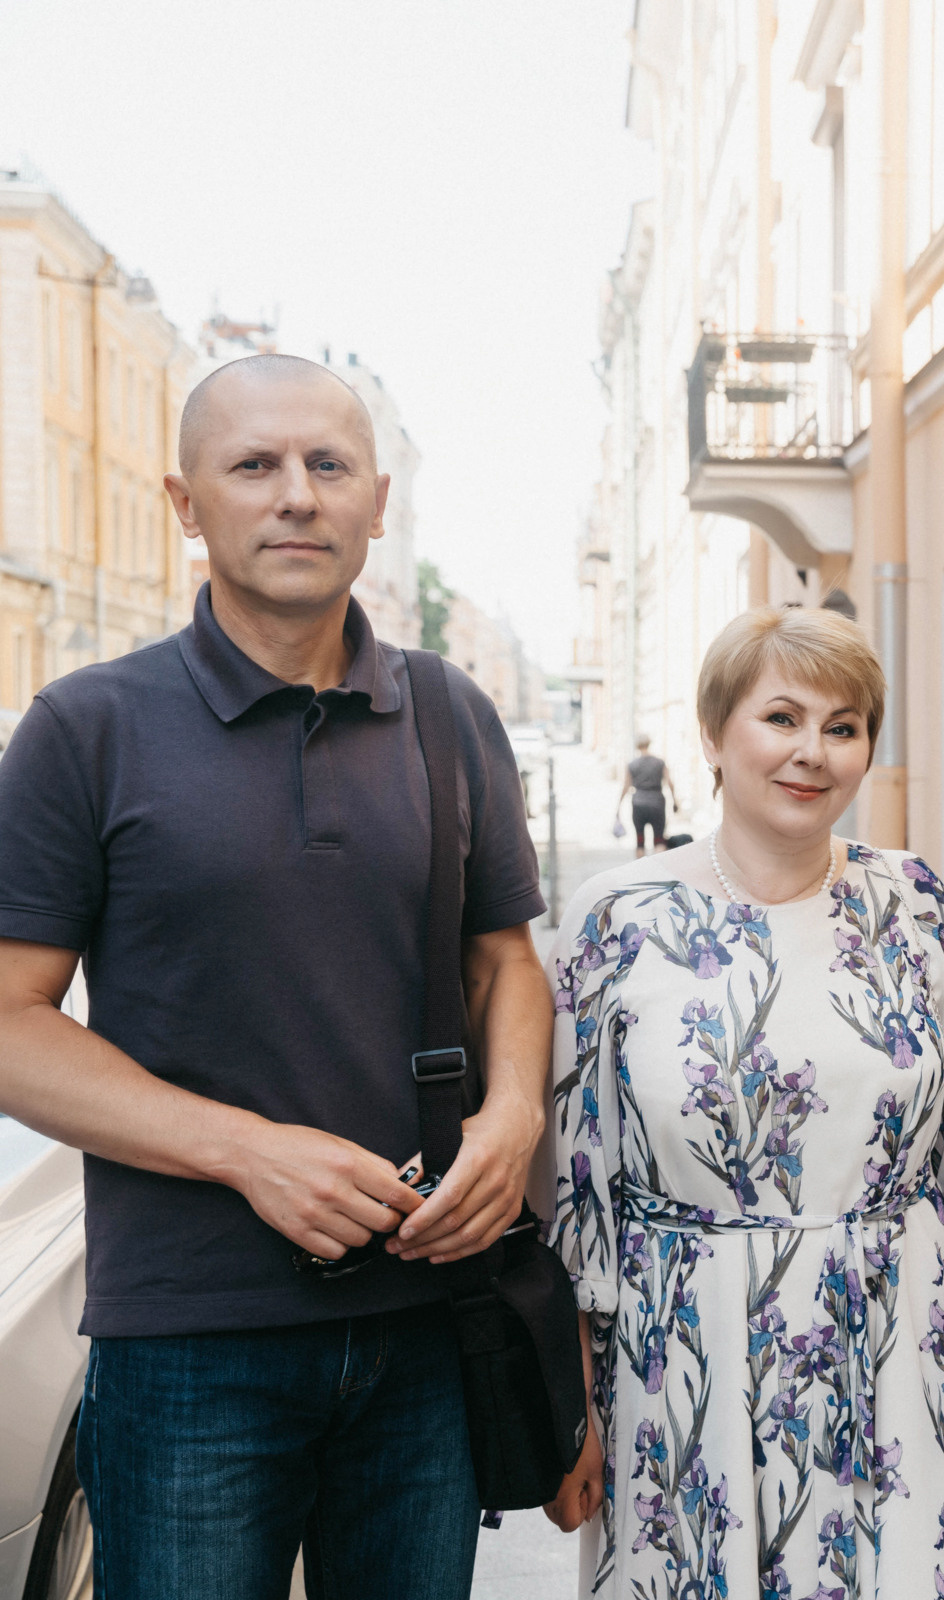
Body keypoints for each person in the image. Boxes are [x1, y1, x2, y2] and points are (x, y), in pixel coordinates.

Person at [0, 353, 551, 1598]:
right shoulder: (85, 728)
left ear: (378, 498)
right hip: (190, 1342)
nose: (296, 494)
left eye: (328, 465)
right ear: (186, 503)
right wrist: (249, 1151)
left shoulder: (452, 713)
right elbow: (9, 1024)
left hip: (426, 1326)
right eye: (254, 465)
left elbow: (506, 958)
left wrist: (512, 1117)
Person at [539, 605, 944, 1600]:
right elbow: (578, 1187)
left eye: (843, 728)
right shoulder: (617, 920)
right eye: (782, 718)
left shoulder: (916, 901)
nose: (813, 752)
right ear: (713, 736)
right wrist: (575, 1403)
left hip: (891, 1340)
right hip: (684, 1355)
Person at [619, 732, 677, 855]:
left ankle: (640, 872)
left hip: (638, 803)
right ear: (649, 744)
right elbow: (670, 783)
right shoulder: (660, 762)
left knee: (640, 841)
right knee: (659, 840)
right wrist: (675, 801)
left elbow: (626, 786)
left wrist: (618, 806)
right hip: (657, 803)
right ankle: (658, 871)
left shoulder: (631, 764)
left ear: (637, 746)